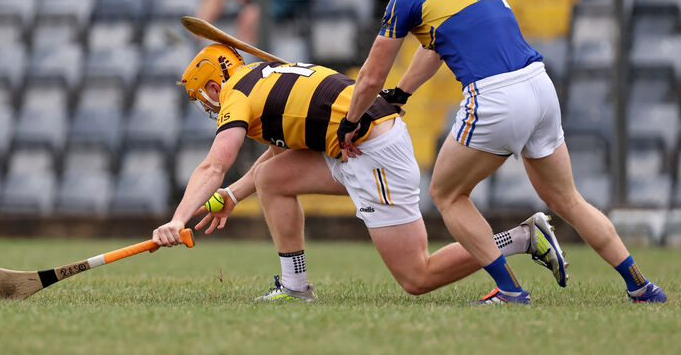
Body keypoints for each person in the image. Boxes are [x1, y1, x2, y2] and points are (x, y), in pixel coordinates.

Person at [338, 0, 667, 304]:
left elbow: (370, 77)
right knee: (568, 199)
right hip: (539, 86)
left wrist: (351, 121)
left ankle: (509, 290)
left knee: (447, 194)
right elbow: (435, 48)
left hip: (494, 97)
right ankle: (641, 286)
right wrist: (403, 93)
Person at [152, 43, 568, 302]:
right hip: (353, 145)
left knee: (416, 277)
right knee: (271, 179)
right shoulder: (264, 78)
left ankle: (522, 237)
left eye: (202, 98)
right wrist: (234, 195)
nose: (206, 107)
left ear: (212, 86)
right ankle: (295, 286)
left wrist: (177, 219)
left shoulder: (236, 96)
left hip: (373, 152)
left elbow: (215, 163)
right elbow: (282, 151)